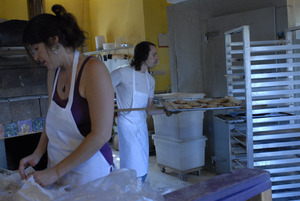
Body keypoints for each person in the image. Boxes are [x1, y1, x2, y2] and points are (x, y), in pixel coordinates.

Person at [18, 4, 114, 189]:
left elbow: (101, 134)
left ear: (54, 41)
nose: (36, 57)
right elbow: (52, 117)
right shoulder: (53, 72)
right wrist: (38, 153)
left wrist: (55, 172)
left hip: (91, 177)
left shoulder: (93, 70)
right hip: (57, 172)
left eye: (37, 49)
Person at [111, 41, 161, 182]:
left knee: (143, 165)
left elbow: (149, 109)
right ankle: (131, 193)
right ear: (144, 55)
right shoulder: (123, 73)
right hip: (127, 124)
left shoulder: (150, 80)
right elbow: (101, 87)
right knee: (133, 166)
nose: (157, 58)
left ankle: (138, 191)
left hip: (141, 125)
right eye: (154, 55)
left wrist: (168, 110)